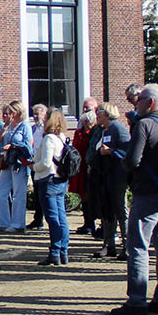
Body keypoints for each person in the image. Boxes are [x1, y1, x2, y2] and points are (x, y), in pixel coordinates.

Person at [111, 84, 158, 315]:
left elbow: (132, 160)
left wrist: (125, 166)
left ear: (150, 103)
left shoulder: (145, 124)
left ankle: (137, 300)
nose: (136, 104)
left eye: (139, 101)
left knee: (138, 245)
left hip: (147, 191)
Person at [33, 109, 70, 265]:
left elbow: (46, 163)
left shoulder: (49, 138)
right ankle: (63, 252)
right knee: (61, 217)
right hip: (61, 180)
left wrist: (34, 167)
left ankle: (55, 252)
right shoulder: (63, 137)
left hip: (49, 180)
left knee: (53, 218)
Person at [92, 105, 129, 258]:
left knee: (121, 210)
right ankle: (108, 245)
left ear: (107, 114)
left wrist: (110, 151)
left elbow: (128, 150)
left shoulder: (118, 128)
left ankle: (127, 245)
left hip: (118, 176)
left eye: (99, 113)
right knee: (107, 210)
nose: (96, 116)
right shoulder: (104, 130)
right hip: (106, 175)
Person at [0, 100, 32, 233]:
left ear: (18, 112)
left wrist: (13, 146)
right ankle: (1, 222)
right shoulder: (8, 126)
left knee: (18, 193)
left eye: (11, 112)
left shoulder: (24, 126)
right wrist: (5, 127)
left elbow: (29, 144)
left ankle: (18, 224)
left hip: (19, 162)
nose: (9, 115)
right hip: (7, 162)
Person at [72, 98, 98, 235]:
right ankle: (87, 222)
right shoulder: (79, 129)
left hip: (89, 166)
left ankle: (92, 223)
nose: (85, 110)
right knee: (83, 194)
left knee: (91, 194)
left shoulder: (94, 131)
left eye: (88, 107)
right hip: (80, 166)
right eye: (84, 107)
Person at [27, 103, 49, 229]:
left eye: (38, 114)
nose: (35, 116)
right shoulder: (32, 128)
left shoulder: (46, 129)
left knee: (43, 192)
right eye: (34, 114)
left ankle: (45, 218)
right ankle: (37, 219)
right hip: (33, 163)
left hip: (43, 164)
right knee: (36, 193)